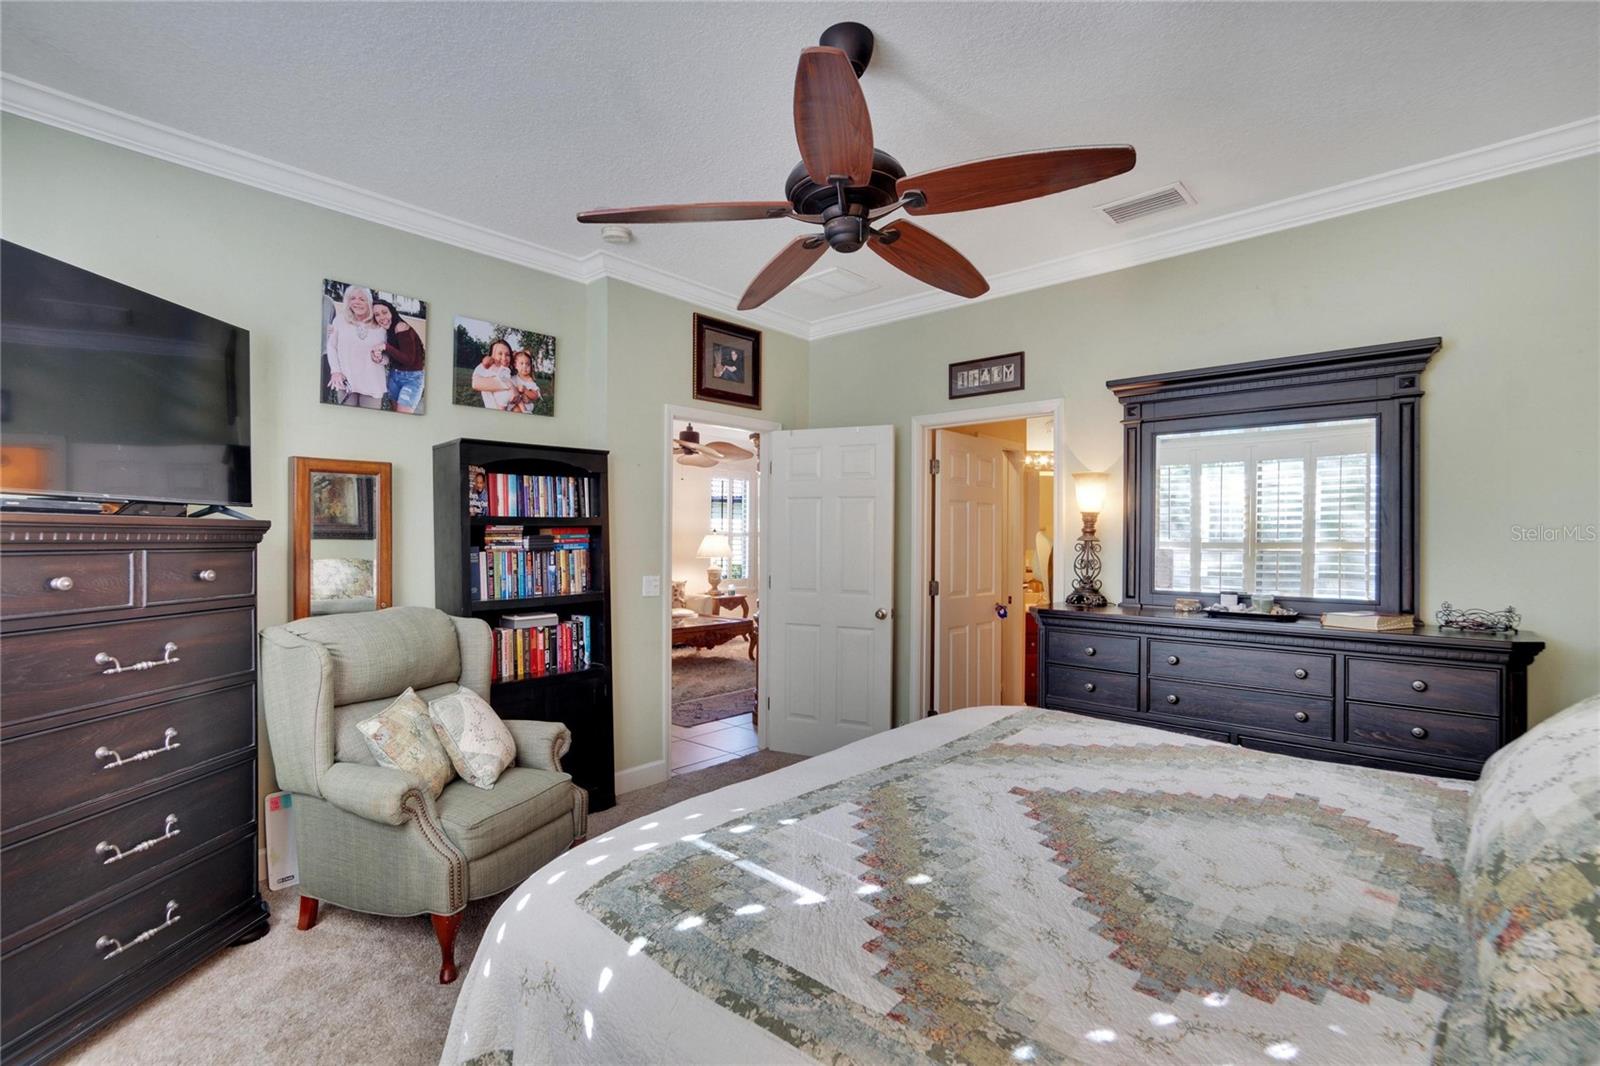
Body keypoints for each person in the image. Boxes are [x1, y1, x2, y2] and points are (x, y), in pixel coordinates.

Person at [324, 286, 389, 408]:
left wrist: (380, 359)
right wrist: (335, 371)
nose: (357, 302)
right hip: (346, 382)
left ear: (369, 302)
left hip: (372, 383)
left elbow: (388, 356)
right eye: (352, 298)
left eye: (362, 299)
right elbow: (331, 347)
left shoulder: (380, 325)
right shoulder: (339, 321)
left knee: (370, 423)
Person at [371, 298, 425, 414]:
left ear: (392, 312)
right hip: (394, 376)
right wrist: (379, 357)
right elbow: (393, 356)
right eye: (377, 315)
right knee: (396, 416)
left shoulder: (401, 326)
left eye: (384, 312)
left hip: (411, 379)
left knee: (403, 418)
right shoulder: (386, 331)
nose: (382, 317)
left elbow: (408, 360)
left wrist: (386, 347)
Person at [471, 339, 516, 410]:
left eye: (507, 355)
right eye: (500, 354)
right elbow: (475, 383)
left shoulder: (508, 372)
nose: (504, 358)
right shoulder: (485, 366)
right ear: (492, 355)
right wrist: (511, 386)